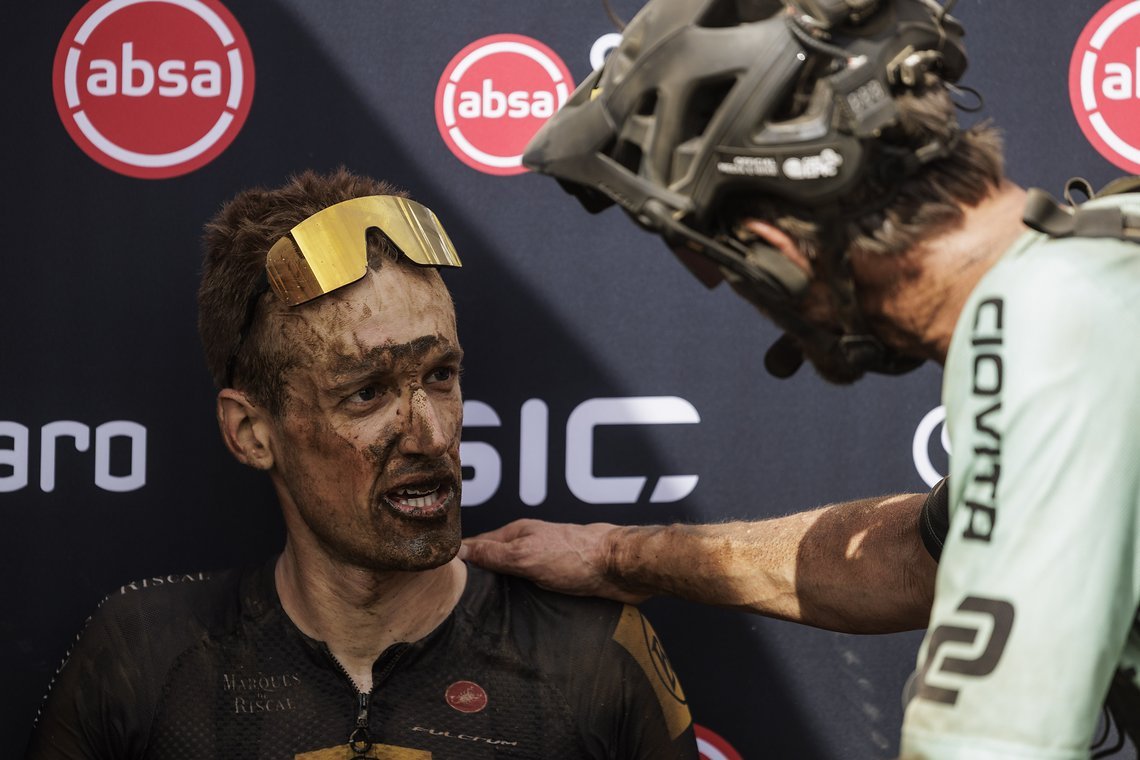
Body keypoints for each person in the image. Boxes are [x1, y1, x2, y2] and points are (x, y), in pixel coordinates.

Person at [460, 0, 1140, 756]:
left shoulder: (1045, 330)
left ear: (772, 247)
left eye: (722, 270)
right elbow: (914, 559)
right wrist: (619, 555)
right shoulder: (1100, 273)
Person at [25, 168, 698, 760]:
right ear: (252, 432)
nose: (431, 435)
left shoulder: (593, 659)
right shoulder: (146, 656)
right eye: (367, 393)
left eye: (441, 375)